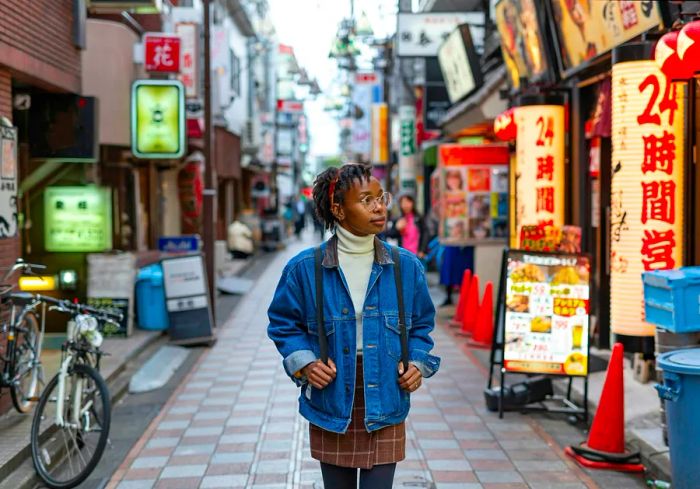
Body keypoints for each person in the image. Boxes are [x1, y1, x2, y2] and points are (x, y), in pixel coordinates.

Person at [267, 164, 440, 489]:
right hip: (332, 399)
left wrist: (417, 362)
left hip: (386, 395)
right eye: (366, 200)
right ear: (338, 209)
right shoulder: (306, 268)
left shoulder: (405, 266)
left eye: (380, 197)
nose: (379, 207)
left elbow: (421, 326)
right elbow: (282, 323)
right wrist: (304, 363)